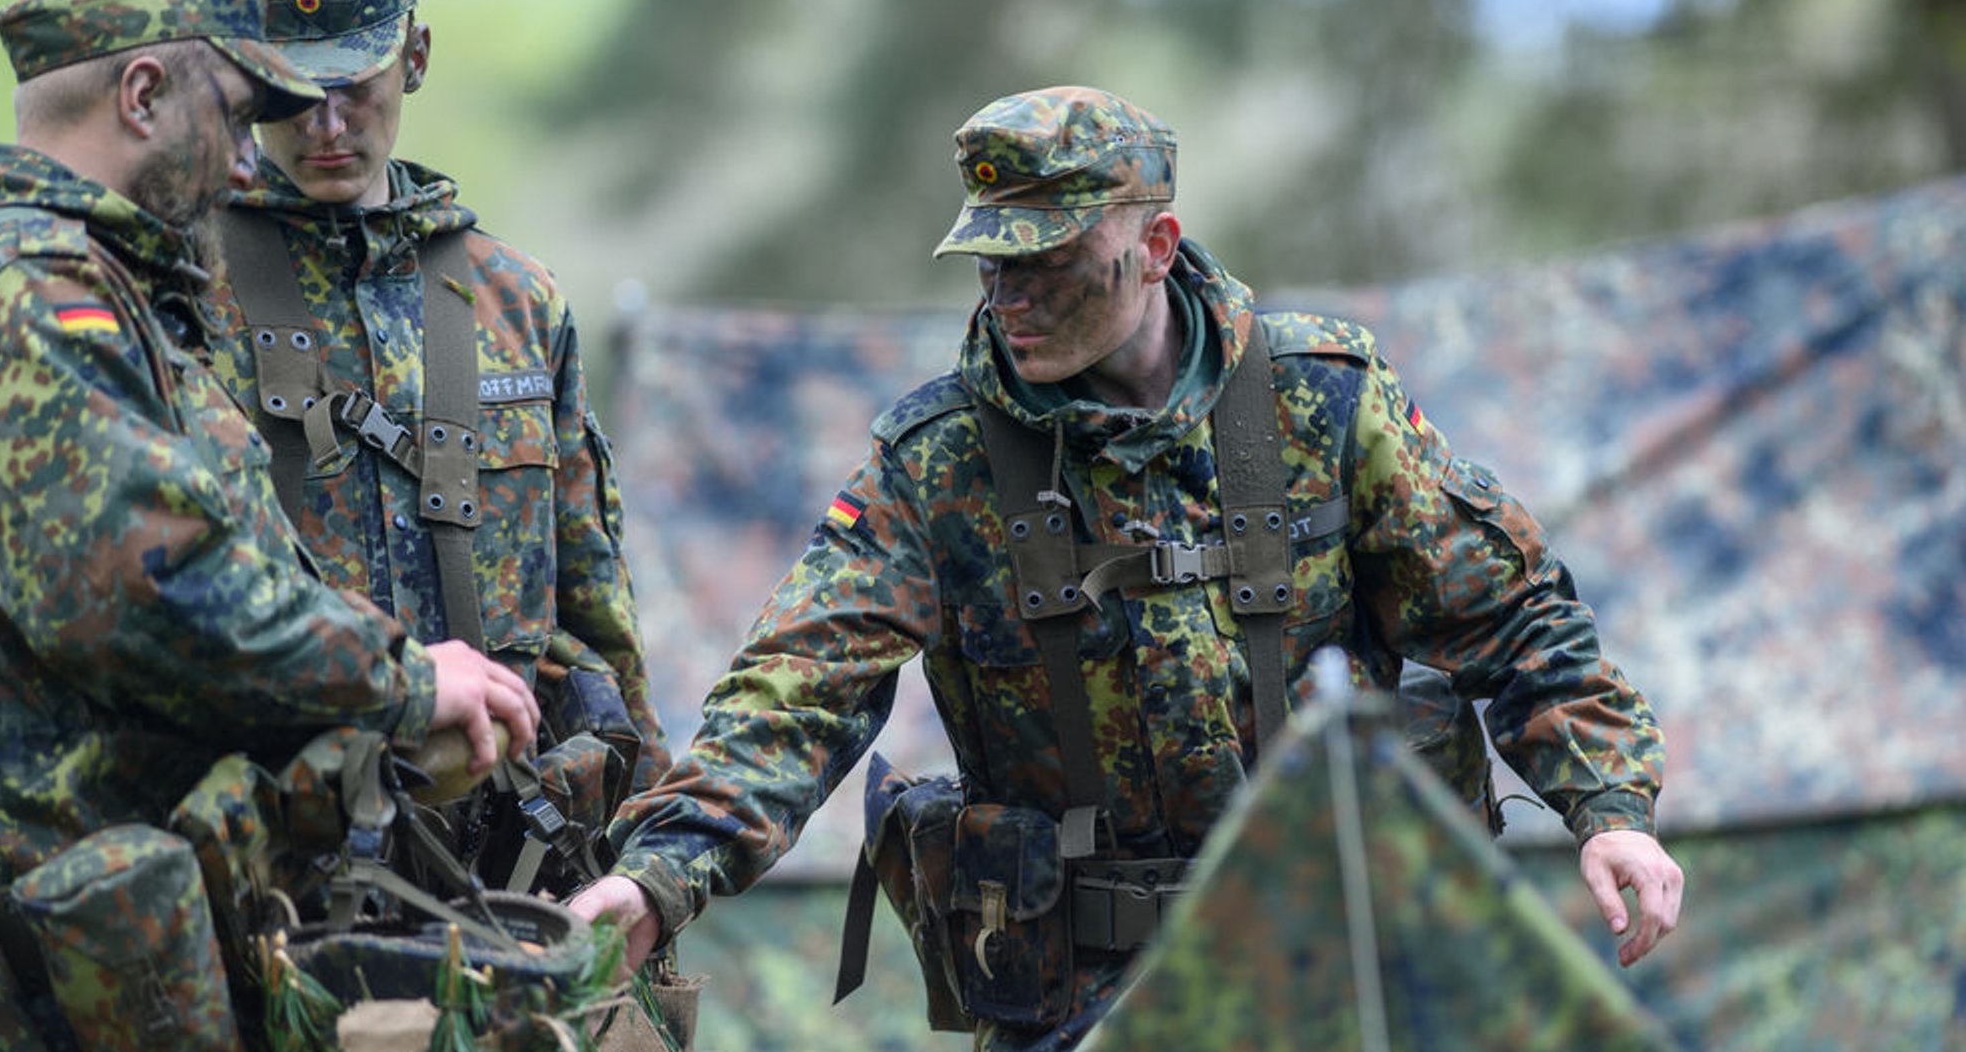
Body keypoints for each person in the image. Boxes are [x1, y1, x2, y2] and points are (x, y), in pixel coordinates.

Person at [573, 86, 1685, 1050]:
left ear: (1154, 245)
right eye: (990, 264)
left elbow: (1512, 617)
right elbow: (796, 687)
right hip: (1079, 1003)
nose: (1008, 299)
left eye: (1048, 261)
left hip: (1345, 965)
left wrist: (1609, 804)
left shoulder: (1322, 400)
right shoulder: (938, 461)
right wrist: (659, 871)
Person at [0, 0, 538, 1045]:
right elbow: (140, 585)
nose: (256, 166)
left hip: (91, 952)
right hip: (29, 979)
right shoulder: (26, 288)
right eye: (240, 112)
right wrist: (399, 678)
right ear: (145, 94)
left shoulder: (73, 280)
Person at [197, 0, 669, 893]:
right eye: (293, 92)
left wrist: (645, 850)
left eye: (354, 86)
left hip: (512, 853)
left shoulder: (515, 298)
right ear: (240, 79)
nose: (327, 125)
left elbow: (593, 607)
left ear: (413, 56)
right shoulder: (184, 296)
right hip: (276, 857)